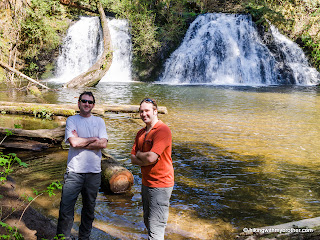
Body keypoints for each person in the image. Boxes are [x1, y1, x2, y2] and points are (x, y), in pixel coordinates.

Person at [56, 91, 108, 240]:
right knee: (66, 209)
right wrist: (93, 139)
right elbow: (73, 142)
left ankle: (84, 238)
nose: (87, 104)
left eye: (90, 102)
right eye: (84, 101)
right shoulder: (72, 119)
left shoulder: (99, 122)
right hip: (74, 172)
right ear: (78, 103)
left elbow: (103, 143)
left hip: (94, 173)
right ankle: (62, 238)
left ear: (93, 105)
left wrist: (81, 141)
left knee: (89, 210)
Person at [131, 98, 174, 240]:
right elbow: (133, 159)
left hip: (161, 184)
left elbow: (151, 158)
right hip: (146, 182)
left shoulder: (163, 130)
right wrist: (144, 158)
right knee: (148, 221)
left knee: (156, 227)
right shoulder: (140, 133)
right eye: (141, 111)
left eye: (147, 111)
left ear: (155, 111)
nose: (144, 114)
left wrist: (140, 156)